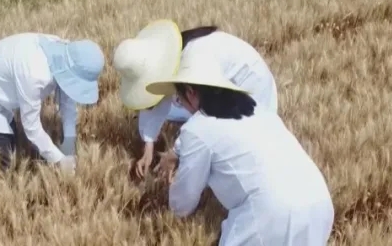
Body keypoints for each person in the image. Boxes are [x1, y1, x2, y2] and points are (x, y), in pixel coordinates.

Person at [144, 48, 334, 246]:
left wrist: (167, 186)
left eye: (179, 98)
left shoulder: (198, 128)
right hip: (317, 202)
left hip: (270, 216)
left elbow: (181, 204)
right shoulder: (256, 108)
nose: (180, 105)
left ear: (192, 92)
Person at [112, 21, 278, 178]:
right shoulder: (171, 54)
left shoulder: (196, 63)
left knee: (230, 152)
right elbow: (157, 97)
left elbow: (206, 116)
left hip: (252, 91)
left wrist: (176, 152)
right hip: (228, 92)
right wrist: (148, 145)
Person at [0, 32, 105, 171]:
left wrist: (68, 147)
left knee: (14, 148)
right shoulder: (34, 73)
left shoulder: (63, 54)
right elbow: (32, 128)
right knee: (7, 159)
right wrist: (59, 161)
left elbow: (68, 104)